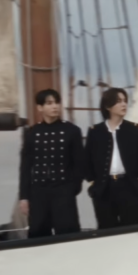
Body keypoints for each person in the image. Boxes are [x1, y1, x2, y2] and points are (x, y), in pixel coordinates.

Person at [18, 89, 83, 238]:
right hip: (38, 193)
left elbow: (79, 164)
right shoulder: (32, 133)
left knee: (68, 234)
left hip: (63, 190)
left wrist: (72, 189)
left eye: (57, 102)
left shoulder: (72, 131)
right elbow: (25, 167)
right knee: (38, 235)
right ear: (40, 107)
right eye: (49, 103)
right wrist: (24, 197)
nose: (55, 106)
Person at [85, 87, 138, 229]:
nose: (124, 104)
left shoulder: (134, 129)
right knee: (107, 230)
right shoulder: (95, 132)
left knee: (132, 229)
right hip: (104, 189)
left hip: (130, 187)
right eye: (119, 101)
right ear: (108, 106)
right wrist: (93, 184)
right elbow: (87, 161)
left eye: (125, 101)